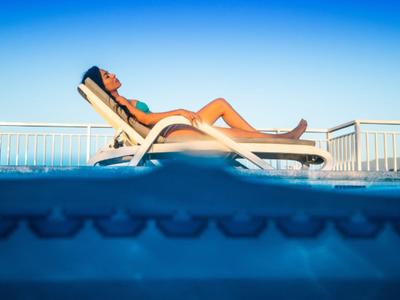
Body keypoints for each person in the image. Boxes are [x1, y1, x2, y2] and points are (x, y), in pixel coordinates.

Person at [81, 66, 307, 139]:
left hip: (172, 126)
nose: (113, 75)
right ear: (103, 86)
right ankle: (285, 138)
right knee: (230, 135)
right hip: (170, 133)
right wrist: (180, 111)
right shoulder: (120, 101)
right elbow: (147, 119)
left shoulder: (122, 99)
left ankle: (271, 139)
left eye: (109, 72)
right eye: (106, 76)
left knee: (220, 103)